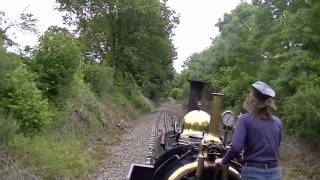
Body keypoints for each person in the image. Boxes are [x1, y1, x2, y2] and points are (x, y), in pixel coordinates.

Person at [215, 81, 282, 180]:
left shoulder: (244, 119)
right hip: (274, 172)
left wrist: (223, 160)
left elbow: (236, 147)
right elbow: (275, 146)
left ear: (252, 100)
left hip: (253, 173)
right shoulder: (277, 122)